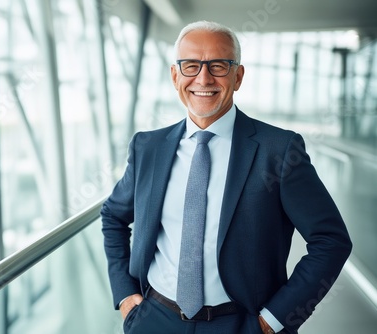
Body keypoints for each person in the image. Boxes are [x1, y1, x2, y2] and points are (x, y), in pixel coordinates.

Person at [101, 20, 352, 334]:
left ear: (238, 76)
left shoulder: (279, 150)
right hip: (155, 319)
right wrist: (125, 294)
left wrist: (274, 321)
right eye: (190, 65)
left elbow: (331, 241)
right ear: (175, 75)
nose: (203, 78)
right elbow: (113, 215)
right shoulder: (147, 147)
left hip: (242, 323)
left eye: (218, 65)